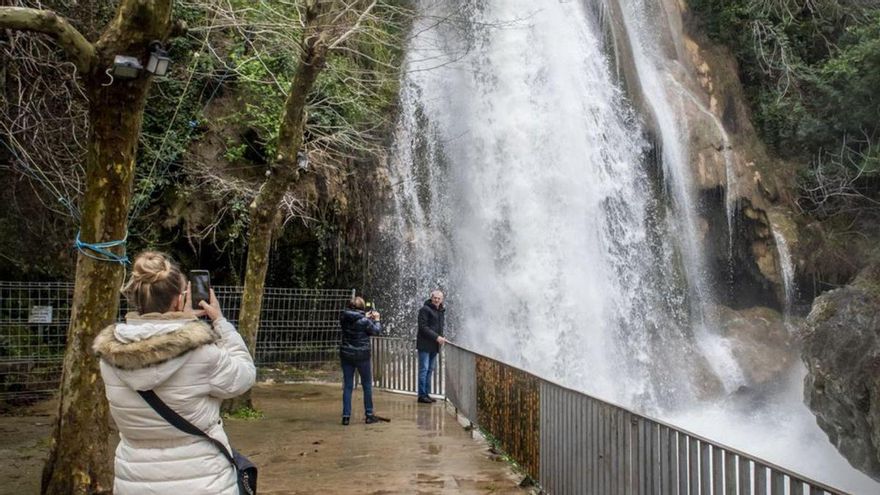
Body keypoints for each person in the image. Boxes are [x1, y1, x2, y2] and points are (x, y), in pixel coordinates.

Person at [92, 251, 256, 494]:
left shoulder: (110, 357)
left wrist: (181, 321)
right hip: (202, 480)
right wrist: (219, 322)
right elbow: (243, 376)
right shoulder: (201, 353)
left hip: (135, 480)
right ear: (180, 300)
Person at [339, 296, 383, 425]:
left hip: (346, 354)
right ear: (362, 307)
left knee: (348, 386)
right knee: (366, 385)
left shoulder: (343, 317)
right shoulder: (365, 321)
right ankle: (369, 414)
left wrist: (365, 316)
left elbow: (354, 318)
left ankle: (346, 416)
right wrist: (377, 320)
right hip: (362, 356)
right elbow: (376, 331)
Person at [416, 289, 446, 403]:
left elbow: (438, 327)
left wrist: (441, 337)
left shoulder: (441, 311)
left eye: (439, 298)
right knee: (424, 369)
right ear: (431, 298)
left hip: (434, 345)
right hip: (425, 344)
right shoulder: (424, 309)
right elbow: (423, 327)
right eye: (435, 298)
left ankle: (426, 394)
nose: (436, 300)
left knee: (430, 370)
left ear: (442, 299)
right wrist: (437, 337)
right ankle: (421, 395)